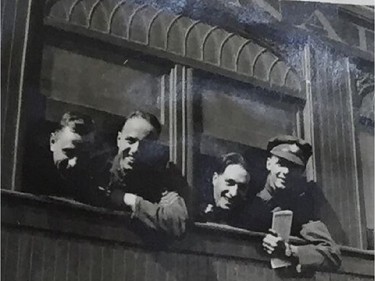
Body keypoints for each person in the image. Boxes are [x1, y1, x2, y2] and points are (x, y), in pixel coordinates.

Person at [243, 135, 341, 272]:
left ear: (300, 173)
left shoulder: (299, 211)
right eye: (281, 164)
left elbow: (332, 254)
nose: (286, 172)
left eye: (293, 167)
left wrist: (289, 250)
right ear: (269, 163)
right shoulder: (243, 193)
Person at [105, 111, 189, 238]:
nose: (136, 150)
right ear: (119, 139)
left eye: (146, 145)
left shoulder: (161, 181)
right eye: (131, 140)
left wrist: (129, 200)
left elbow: (176, 221)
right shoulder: (101, 169)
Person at [22, 112, 106, 203]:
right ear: (53, 142)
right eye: (69, 152)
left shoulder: (93, 184)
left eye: (84, 155)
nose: (74, 162)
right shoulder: (25, 175)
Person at [196, 153, 251, 227]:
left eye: (242, 187)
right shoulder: (194, 209)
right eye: (230, 183)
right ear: (215, 179)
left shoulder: (247, 221)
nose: (234, 193)